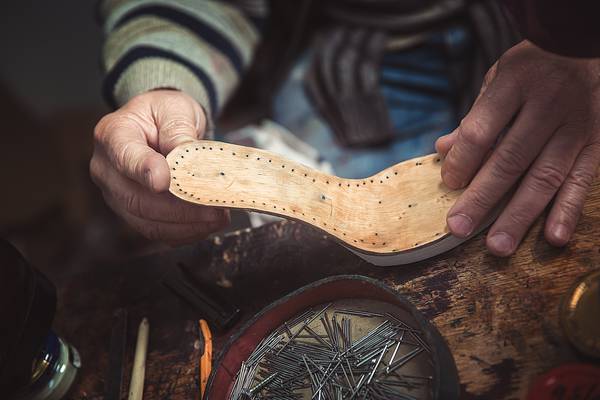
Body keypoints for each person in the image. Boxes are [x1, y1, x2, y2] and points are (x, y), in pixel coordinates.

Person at [91, 0, 600, 256]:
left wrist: (586, 52)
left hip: (561, 38)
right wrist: (161, 83)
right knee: (321, 251)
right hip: (355, 54)